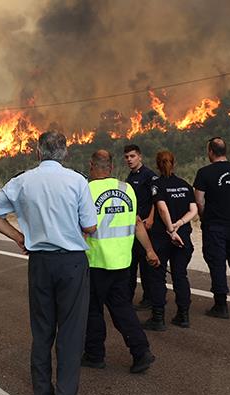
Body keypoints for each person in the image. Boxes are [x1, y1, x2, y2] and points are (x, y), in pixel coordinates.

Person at [0, 131, 96, 395]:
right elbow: (91, 227)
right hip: (71, 262)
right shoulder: (77, 180)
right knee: (70, 331)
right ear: (65, 153)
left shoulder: (22, 181)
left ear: (37, 152)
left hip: (40, 263)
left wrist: (19, 237)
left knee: (42, 330)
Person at [81, 150, 158, 374]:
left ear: (91, 165)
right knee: (122, 308)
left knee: (93, 310)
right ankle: (141, 351)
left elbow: (84, 228)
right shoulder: (128, 189)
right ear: (112, 167)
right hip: (123, 262)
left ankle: (95, 355)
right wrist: (150, 250)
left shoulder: (86, 190)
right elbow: (136, 223)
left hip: (96, 261)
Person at [194, 137, 230, 318]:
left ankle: (221, 306)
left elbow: (199, 201)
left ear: (211, 151)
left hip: (215, 226)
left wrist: (205, 217)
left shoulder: (204, 173)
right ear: (225, 151)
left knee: (217, 263)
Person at [145, 150, 199, 330]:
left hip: (163, 238)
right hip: (183, 238)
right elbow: (194, 210)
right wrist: (180, 224)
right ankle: (183, 316)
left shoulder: (156, 185)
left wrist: (170, 229)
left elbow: (162, 209)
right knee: (180, 275)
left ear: (157, 165)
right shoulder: (184, 185)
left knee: (157, 276)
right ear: (173, 163)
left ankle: (158, 318)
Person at [123, 144, 160, 310]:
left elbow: (156, 199)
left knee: (146, 266)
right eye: (127, 157)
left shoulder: (149, 176)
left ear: (140, 157)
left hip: (146, 227)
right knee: (131, 266)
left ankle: (149, 298)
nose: (129, 160)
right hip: (133, 228)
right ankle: (127, 298)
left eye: (132, 156)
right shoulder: (129, 178)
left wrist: (151, 218)